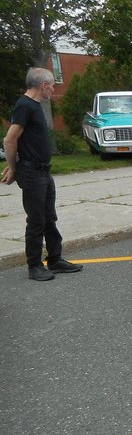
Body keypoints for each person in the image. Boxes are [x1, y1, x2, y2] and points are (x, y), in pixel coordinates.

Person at [1, 67, 84, 281]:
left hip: (43, 172)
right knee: (37, 220)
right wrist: (13, 168)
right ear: (44, 85)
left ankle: (55, 260)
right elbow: (10, 140)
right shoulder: (25, 105)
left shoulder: (35, 105)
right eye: (53, 85)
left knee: (49, 218)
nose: (54, 90)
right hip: (31, 172)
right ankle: (34, 266)